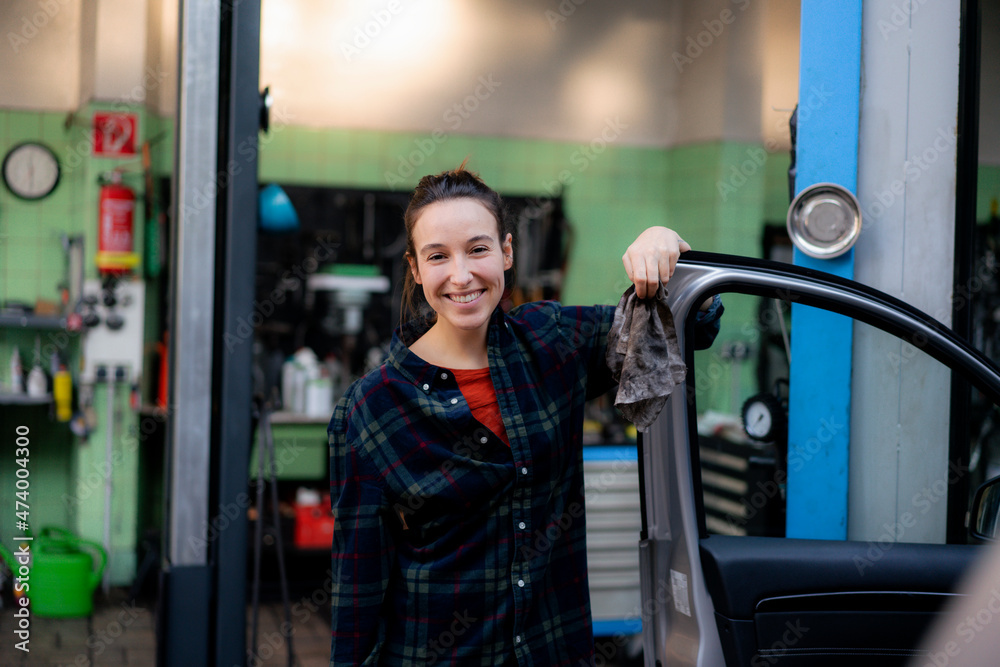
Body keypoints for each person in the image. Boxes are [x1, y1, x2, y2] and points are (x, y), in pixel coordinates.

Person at [329, 164, 722, 665]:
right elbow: (357, 593)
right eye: (437, 256)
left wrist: (665, 250)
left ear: (506, 251)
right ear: (415, 269)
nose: (461, 274)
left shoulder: (553, 341)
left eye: (478, 248)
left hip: (554, 651)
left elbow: (690, 326)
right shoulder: (371, 409)